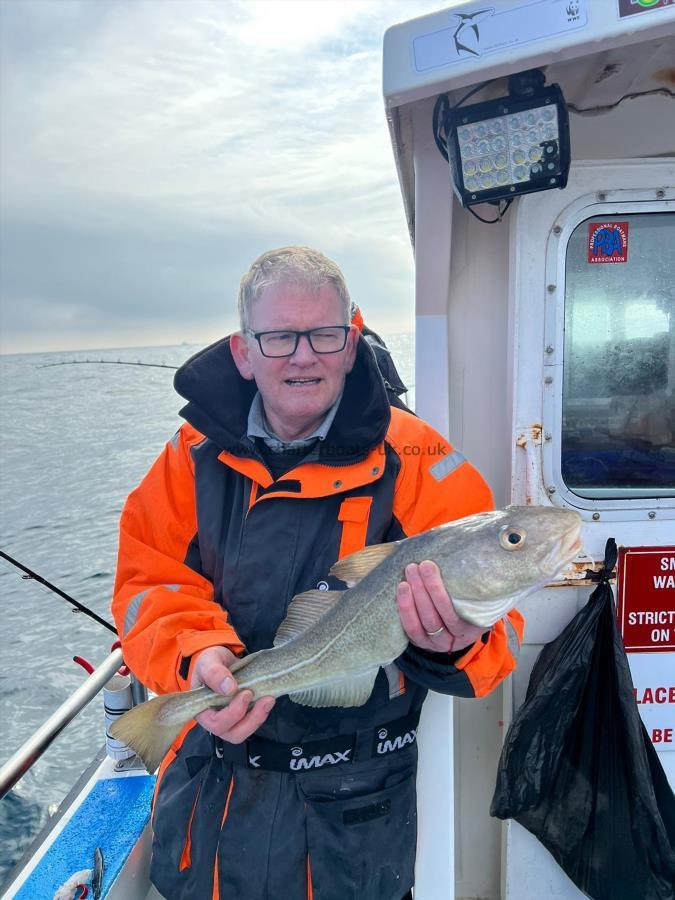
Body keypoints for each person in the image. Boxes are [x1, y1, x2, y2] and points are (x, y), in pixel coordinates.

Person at [111, 246, 523, 900]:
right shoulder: (188, 455)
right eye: (278, 337)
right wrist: (197, 657)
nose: (303, 355)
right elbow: (148, 579)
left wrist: (457, 643)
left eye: (324, 335)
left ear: (352, 340)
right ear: (243, 352)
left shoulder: (422, 461)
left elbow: (494, 636)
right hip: (210, 798)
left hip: (352, 813)